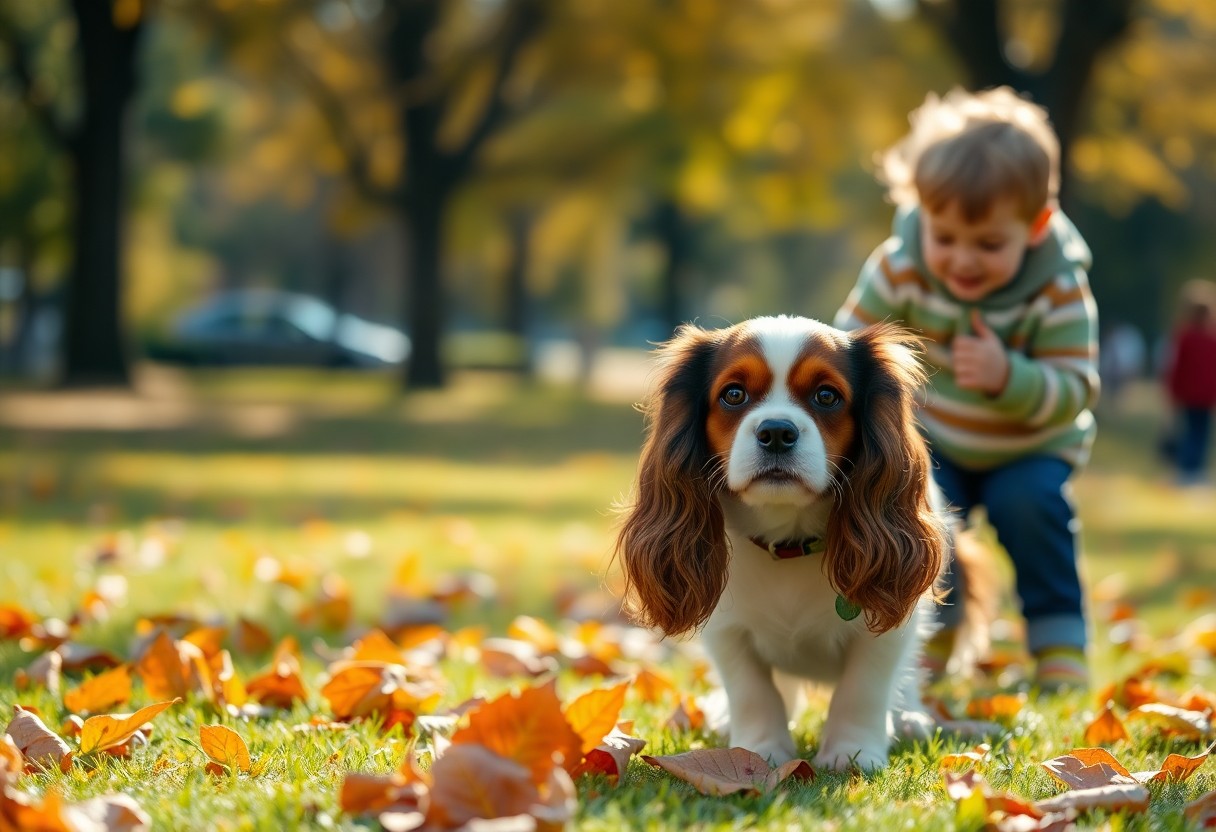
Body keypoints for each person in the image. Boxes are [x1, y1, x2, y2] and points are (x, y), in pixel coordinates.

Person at [834, 87, 1099, 693]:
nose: (962, 260)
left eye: (988, 244)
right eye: (945, 236)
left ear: (1035, 227)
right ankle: (934, 637)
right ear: (920, 210)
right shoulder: (900, 266)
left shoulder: (1055, 289)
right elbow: (847, 347)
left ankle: (1060, 643)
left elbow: (1077, 387)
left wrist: (1011, 377)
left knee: (1032, 510)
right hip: (939, 438)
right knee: (923, 520)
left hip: (1029, 444)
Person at [1162, 279, 1216, 486]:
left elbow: (1176, 368)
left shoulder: (1184, 336)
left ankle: (1188, 470)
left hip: (1189, 393)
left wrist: (1172, 391)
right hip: (1205, 394)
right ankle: (1193, 470)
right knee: (1199, 432)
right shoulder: (1209, 339)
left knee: (1191, 431)